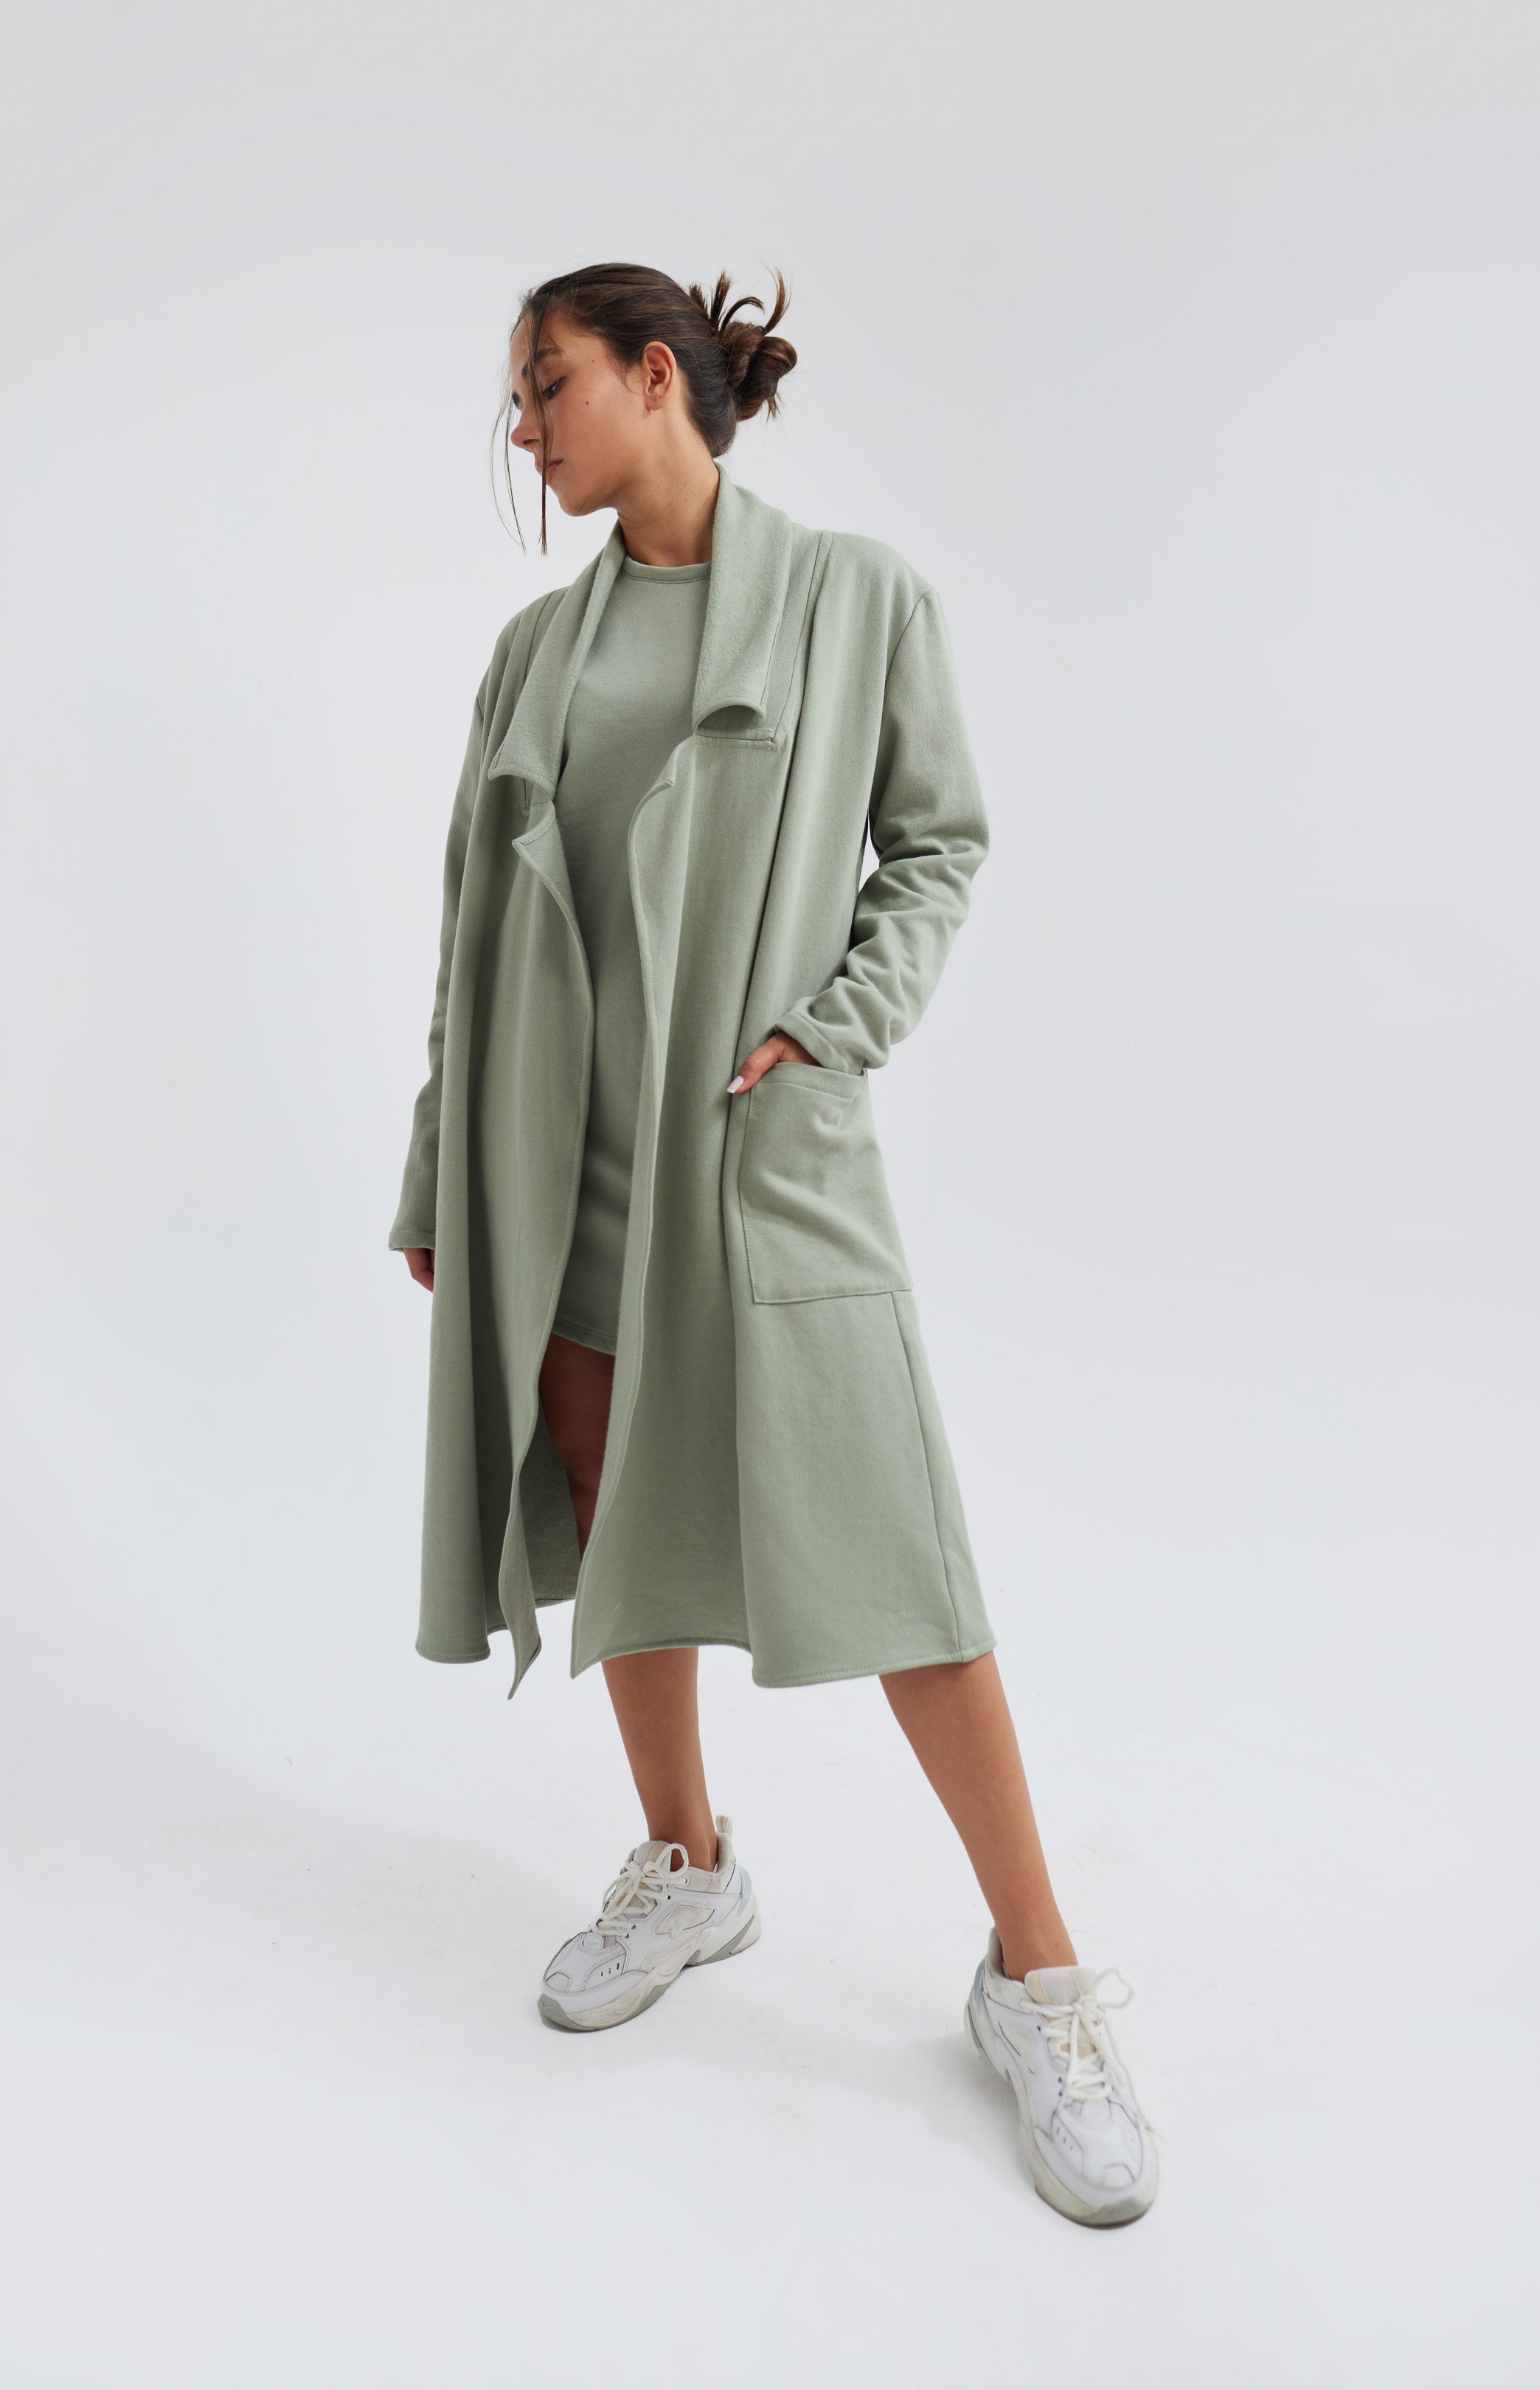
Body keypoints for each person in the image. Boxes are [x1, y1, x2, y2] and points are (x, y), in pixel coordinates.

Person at [389, 261, 1158, 2228]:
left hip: (754, 1144)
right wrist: (435, 1173)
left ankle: (1037, 1977)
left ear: (657, 376)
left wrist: (837, 1027)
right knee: (604, 1494)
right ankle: (692, 1862)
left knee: (897, 1556)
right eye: (515, 398)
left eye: (546, 385)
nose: (521, 428)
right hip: (555, 1163)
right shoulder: (532, 651)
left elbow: (938, 844)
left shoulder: (851, 598)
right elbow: (472, 931)